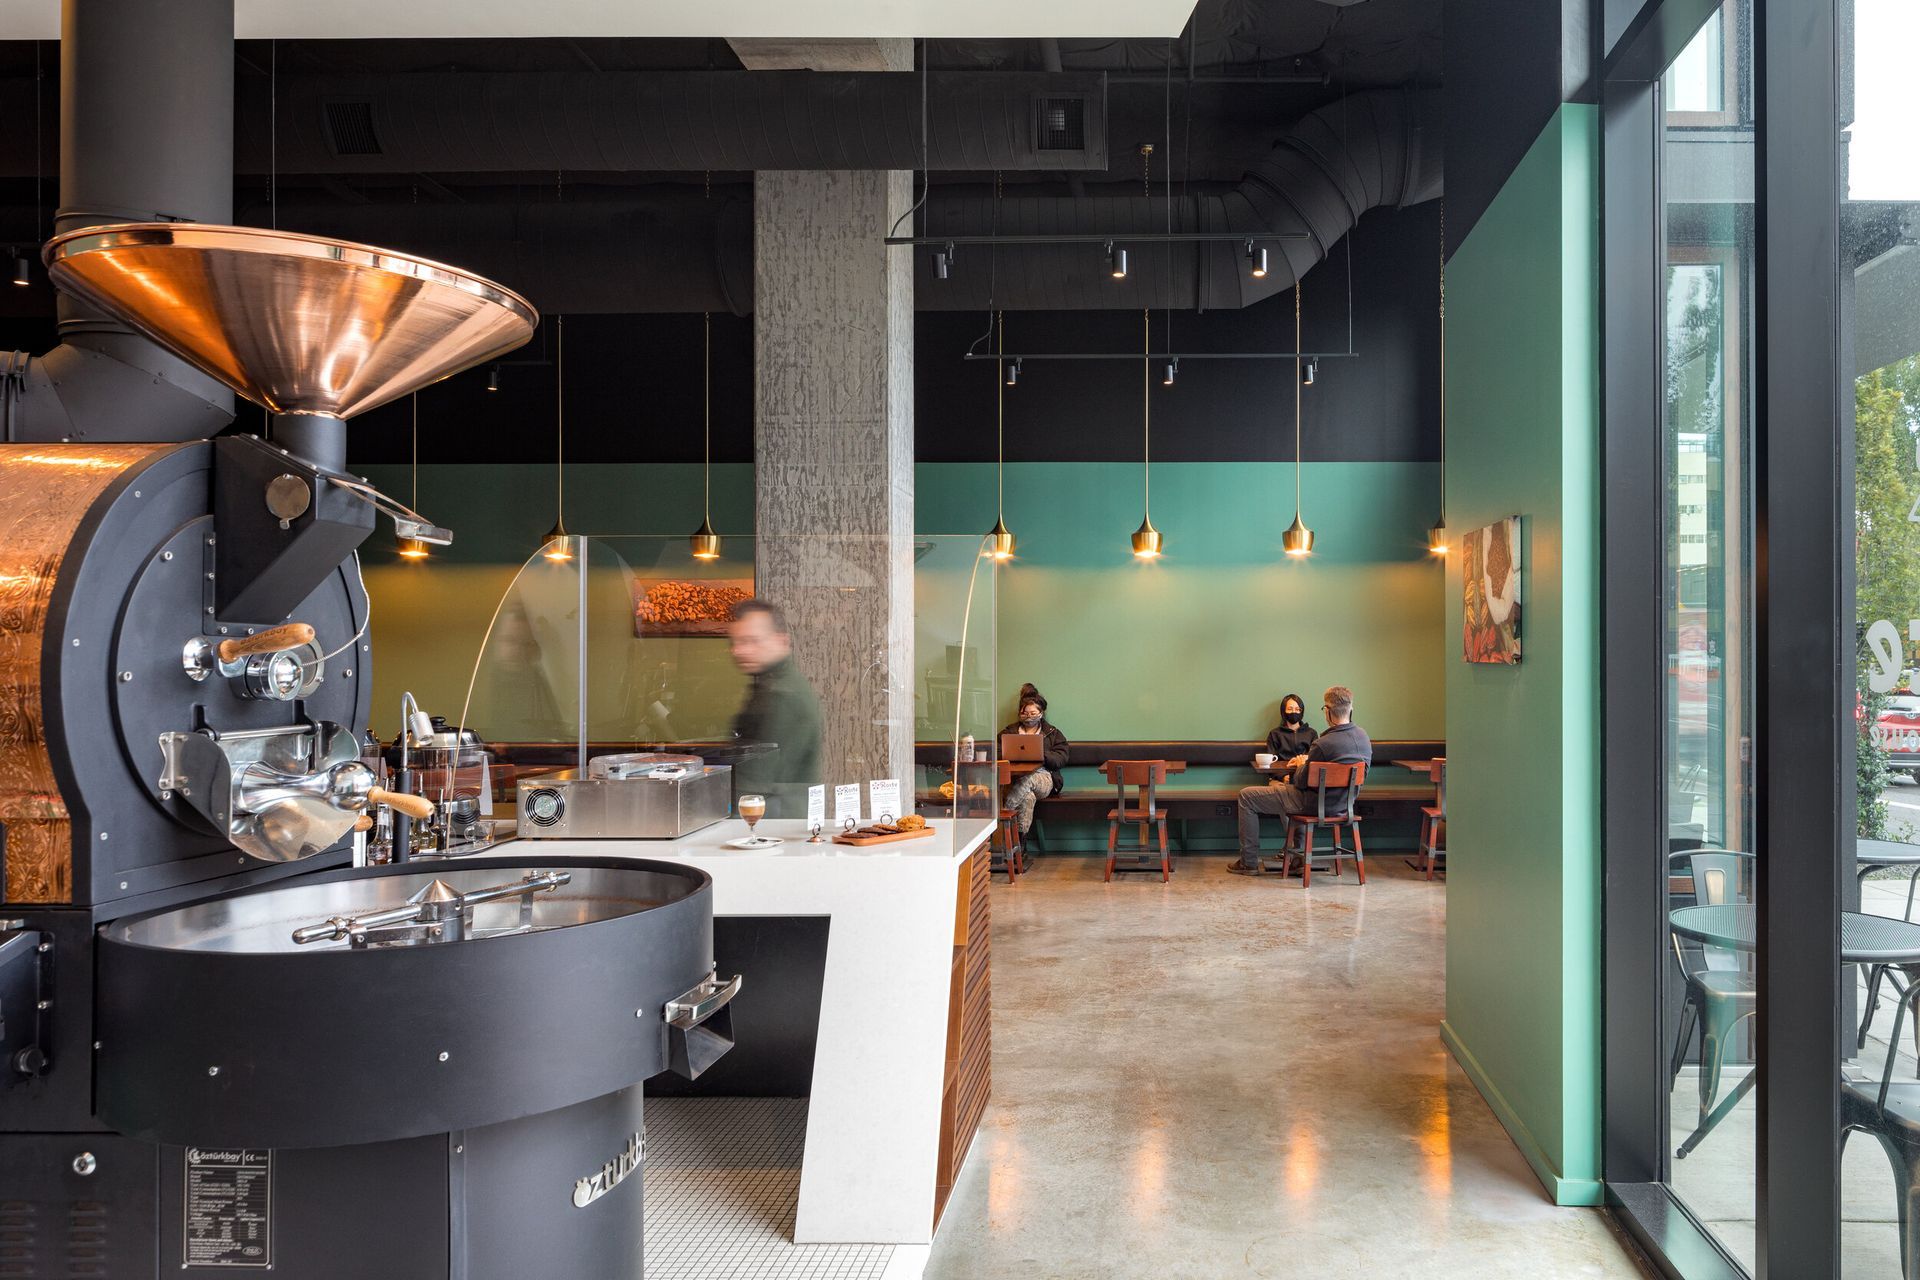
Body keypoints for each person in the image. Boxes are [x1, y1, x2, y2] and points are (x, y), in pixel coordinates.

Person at [1231, 685, 1372, 874]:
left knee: (1246, 796)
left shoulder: (1322, 743)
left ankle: (1248, 863)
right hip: (1344, 806)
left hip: (1312, 804)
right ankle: (1298, 858)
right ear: (1350, 709)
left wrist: (1300, 765)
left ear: (1328, 711)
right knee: (1289, 796)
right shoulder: (1363, 738)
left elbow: (1301, 782)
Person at [727, 599, 824, 818]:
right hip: (777, 820)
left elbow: (758, 781)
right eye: (735, 642)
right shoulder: (770, 684)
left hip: (772, 822)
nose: (739, 650)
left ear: (782, 641)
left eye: (752, 641)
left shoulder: (783, 694)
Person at [999, 683, 1070, 838]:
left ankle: (1002, 815)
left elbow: (1061, 758)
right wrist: (1010, 753)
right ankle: (1019, 843)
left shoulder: (1052, 733)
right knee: (1027, 797)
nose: (1029, 717)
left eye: (1033, 713)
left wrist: (1041, 753)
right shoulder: (1009, 732)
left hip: (1044, 777)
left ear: (1041, 713)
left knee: (1028, 780)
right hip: (1013, 778)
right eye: (1025, 713)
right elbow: (996, 752)